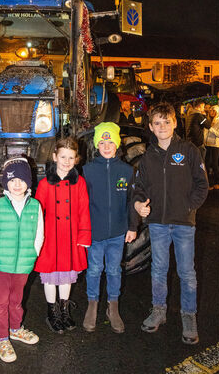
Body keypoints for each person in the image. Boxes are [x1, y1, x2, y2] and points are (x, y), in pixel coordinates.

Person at [132, 103, 208, 345]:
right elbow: (138, 189)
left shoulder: (188, 150)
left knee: (187, 273)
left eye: (167, 122)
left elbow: (202, 184)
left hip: (184, 223)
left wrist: (189, 206)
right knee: (158, 270)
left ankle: (188, 316)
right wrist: (138, 205)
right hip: (157, 224)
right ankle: (159, 311)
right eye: (157, 123)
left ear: (175, 123)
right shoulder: (147, 157)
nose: (162, 126)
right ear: (151, 127)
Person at [0, 157, 43, 363]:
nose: (17, 184)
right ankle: (2, 338)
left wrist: (32, 254)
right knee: (0, 302)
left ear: (29, 182)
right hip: (2, 265)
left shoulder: (35, 206)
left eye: (22, 180)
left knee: (17, 300)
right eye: (12, 180)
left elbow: (39, 235)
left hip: (23, 265)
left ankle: (15, 329)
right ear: (5, 183)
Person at [82, 122, 138, 333]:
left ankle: (112, 308)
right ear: (97, 145)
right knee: (94, 269)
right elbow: (82, 204)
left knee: (114, 270)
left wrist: (132, 226)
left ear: (117, 145)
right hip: (95, 233)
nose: (106, 146)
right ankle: (92, 305)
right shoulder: (87, 171)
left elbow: (133, 200)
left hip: (117, 232)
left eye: (111, 142)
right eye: (102, 142)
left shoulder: (126, 170)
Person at [34, 137, 91, 334]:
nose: (66, 161)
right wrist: (36, 238)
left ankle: (64, 311)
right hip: (50, 237)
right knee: (50, 276)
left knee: (67, 276)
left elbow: (84, 210)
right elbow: (38, 213)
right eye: (63, 156)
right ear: (55, 157)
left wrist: (84, 236)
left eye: (71, 157)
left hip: (71, 237)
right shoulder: (44, 184)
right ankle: (52, 312)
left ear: (77, 160)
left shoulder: (80, 182)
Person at [204, 104, 219, 190]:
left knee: (214, 164)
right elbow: (201, 124)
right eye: (211, 110)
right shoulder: (206, 120)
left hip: (215, 145)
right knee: (206, 164)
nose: (211, 112)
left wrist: (210, 128)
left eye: (213, 111)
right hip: (206, 144)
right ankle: (209, 183)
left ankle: (218, 182)